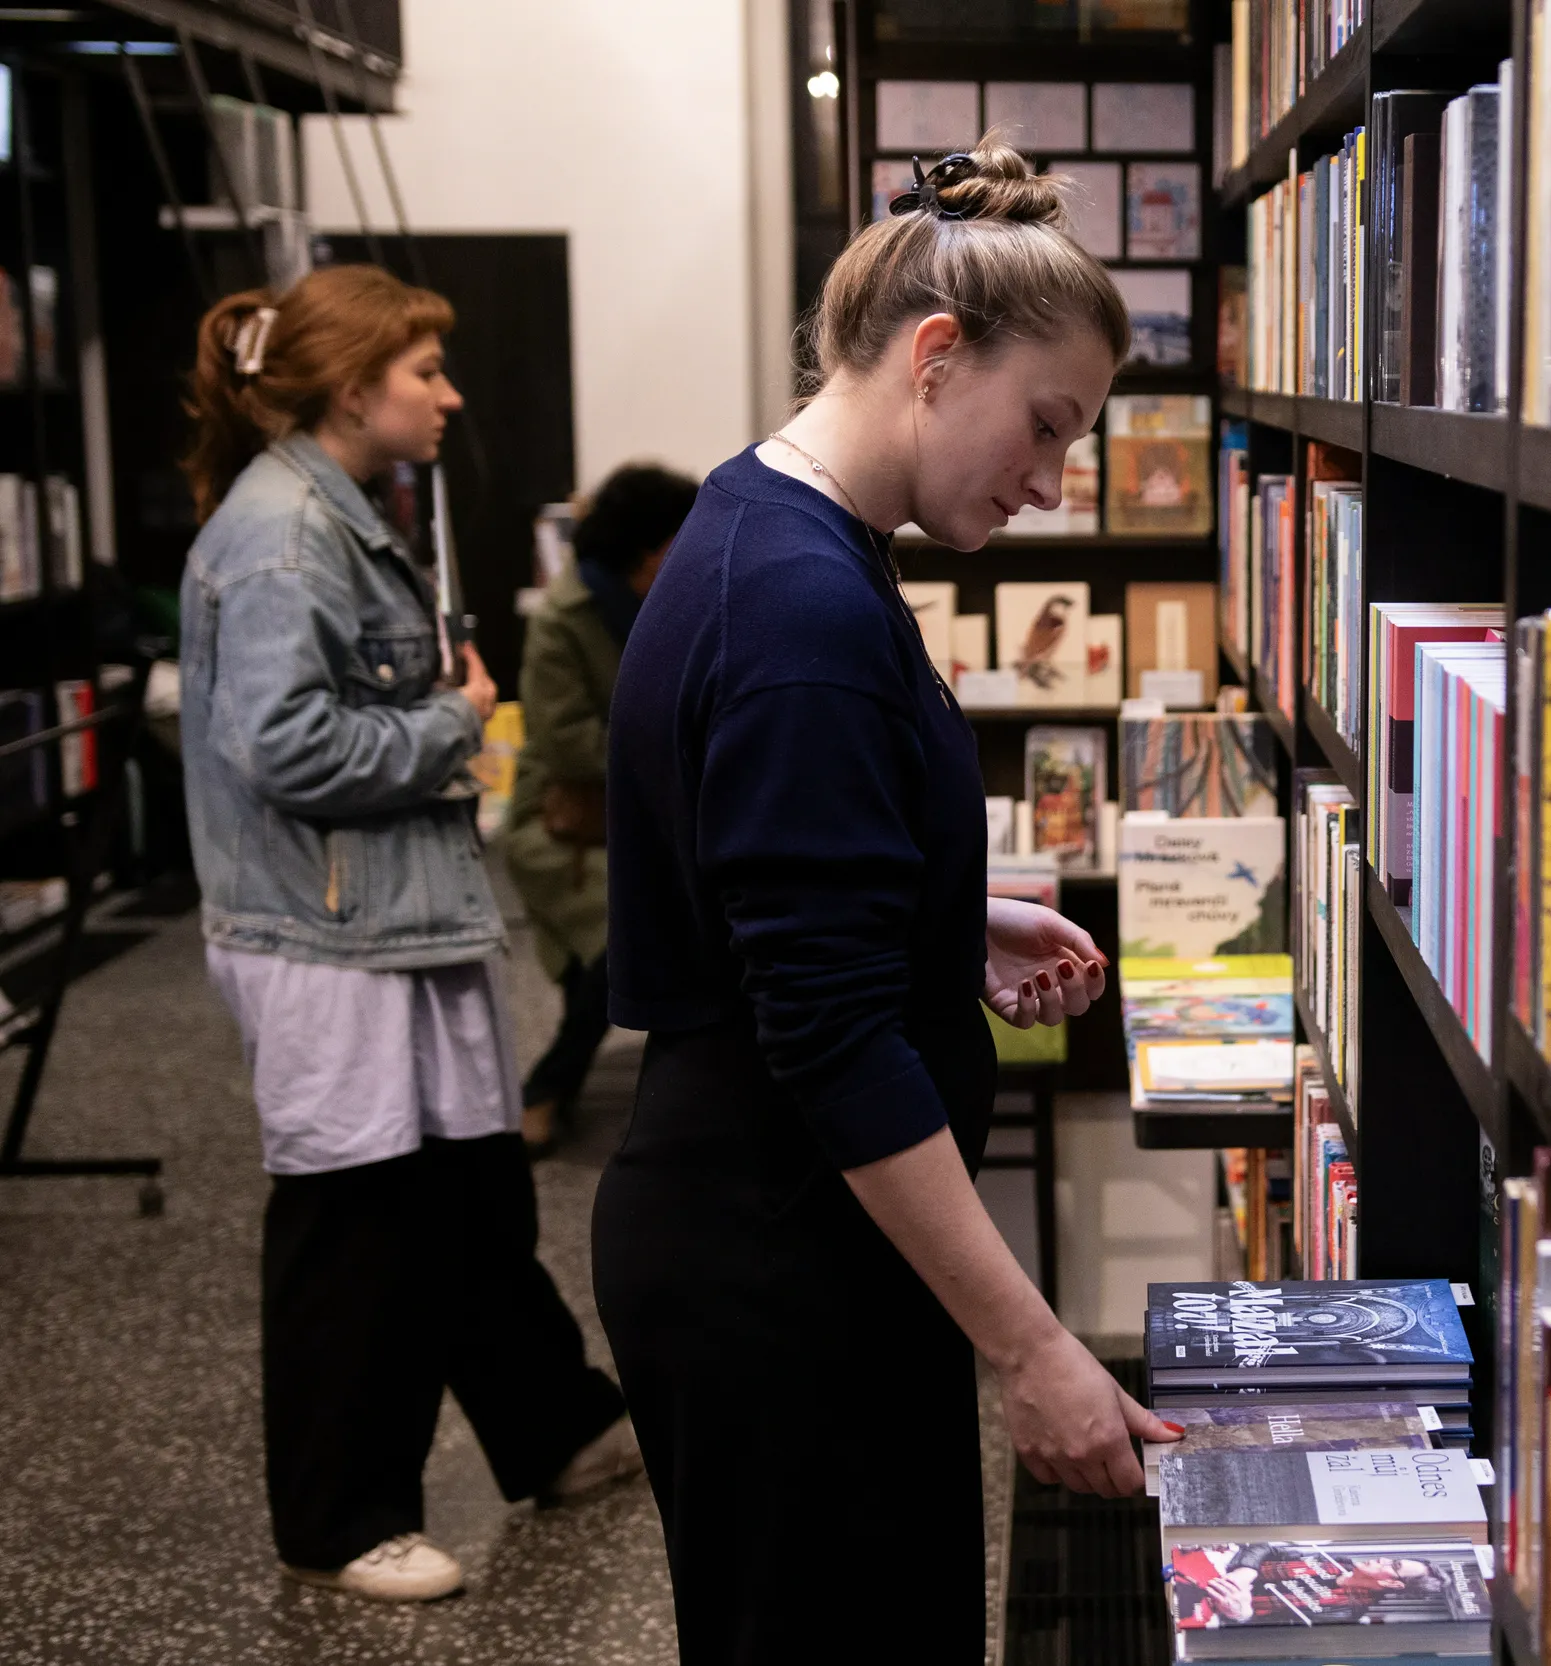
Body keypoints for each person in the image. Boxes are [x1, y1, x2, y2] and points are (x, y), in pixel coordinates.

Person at [595, 139, 1180, 1662]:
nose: (1049, 484)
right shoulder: (799, 605)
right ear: (934, 357)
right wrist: (1032, 1346)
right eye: (1045, 426)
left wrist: (945, 919)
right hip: (777, 1261)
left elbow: (765, 879)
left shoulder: (778, 527)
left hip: (799, 1236)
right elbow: (829, 1032)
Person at [178, 265, 640, 1605]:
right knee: (352, 1219)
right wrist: (455, 721)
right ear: (346, 386)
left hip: (390, 918)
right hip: (326, 935)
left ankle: (556, 1427)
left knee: (465, 1189)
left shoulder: (340, 513)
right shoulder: (284, 535)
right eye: (424, 372)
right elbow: (281, 746)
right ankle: (338, 1517)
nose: (450, 397)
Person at [501, 464, 698, 1156]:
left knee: (631, 953)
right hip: (562, 827)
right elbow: (567, 743)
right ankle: (543, 1089)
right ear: (650, 547)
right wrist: (680, 746)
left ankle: (571, 1088)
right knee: (615, 950)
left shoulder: (662, 602)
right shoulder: (566, 617)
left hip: (637, 818)